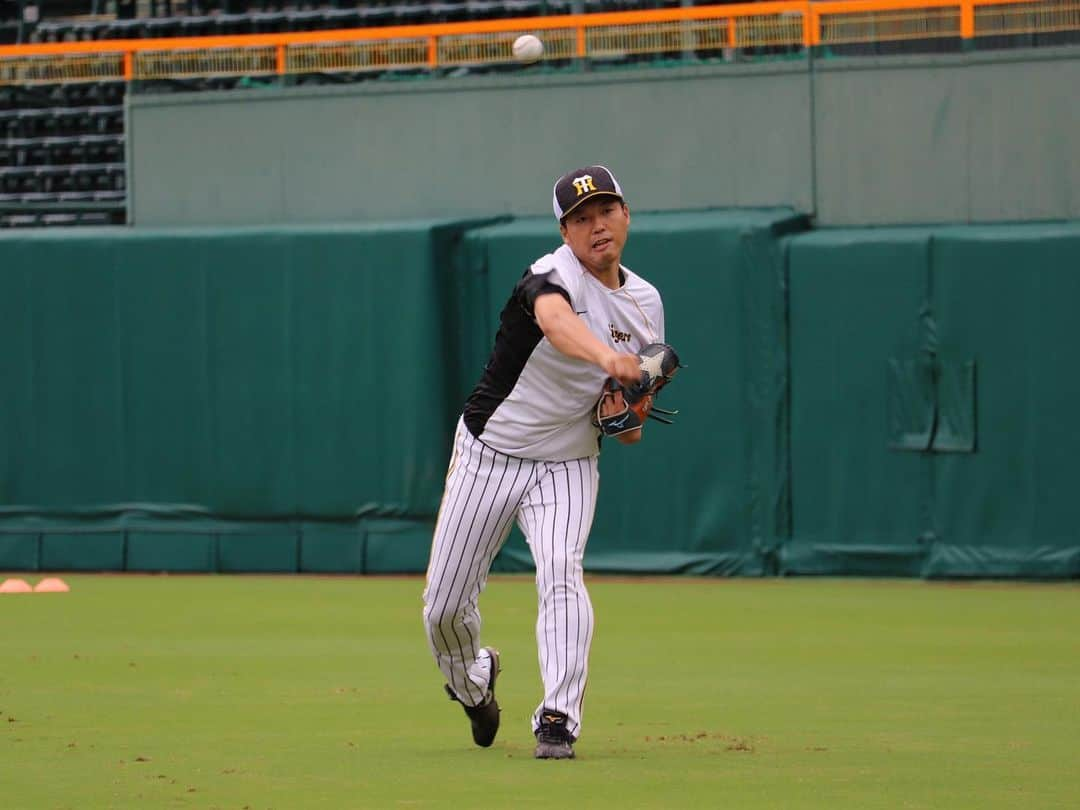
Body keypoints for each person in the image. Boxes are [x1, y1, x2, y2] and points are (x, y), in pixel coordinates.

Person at [422, 164, 666, 760]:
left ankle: (558, 716)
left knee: (562, 573)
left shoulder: (646, 302)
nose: (597, 226)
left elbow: (629, 428)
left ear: (626, 215)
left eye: (606, 211)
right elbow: (556, 325)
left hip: (567, 462)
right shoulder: (549, 275)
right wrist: (611, 360)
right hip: (490, 452)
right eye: (581, 219)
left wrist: (626, 410)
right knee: (443, 609)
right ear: (565, 232)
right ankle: (473, 682)